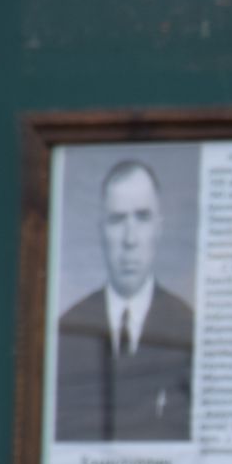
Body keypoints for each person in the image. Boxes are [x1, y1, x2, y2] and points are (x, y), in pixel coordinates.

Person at [55, 159, 195, 443]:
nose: (130, 239)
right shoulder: (68, 329)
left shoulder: (187, 326)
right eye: (117, 220)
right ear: (101, 230)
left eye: (142, 218)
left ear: (159, 228)